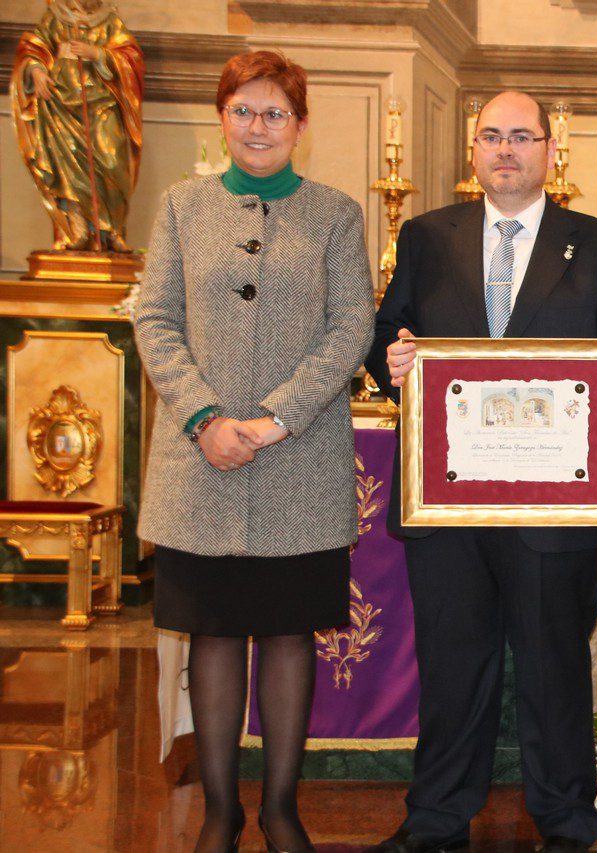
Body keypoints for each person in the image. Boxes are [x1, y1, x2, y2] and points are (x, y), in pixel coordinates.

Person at [365, 90, 597, 853]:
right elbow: (384, 338)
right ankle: (435, 819)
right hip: (448, 503)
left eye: (522, 137)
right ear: (474, 150)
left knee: (555, 669)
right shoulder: (427, 236)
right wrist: (390, 358)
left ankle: (565, 821)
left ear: (550, 151)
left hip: (555, 506)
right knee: (452, 670)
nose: (506, 149)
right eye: (491, 136)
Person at [134, 51, 374, 853]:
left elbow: (351, 327)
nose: (258, 126)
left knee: (284, 632)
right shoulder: (179, 208)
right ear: (222, 118)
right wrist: (205, 416)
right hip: (198, 462)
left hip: (296, 461)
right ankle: (218, 813)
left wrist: (274, 419)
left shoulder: (336, 214)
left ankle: (279, 808)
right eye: (244, 110)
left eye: (275, 113)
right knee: (209, 632)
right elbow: (154, 320)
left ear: (301, 127)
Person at [11, 0, 144, 251]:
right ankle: (77, 231)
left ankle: (112, 230)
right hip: (61, 103)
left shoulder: (109, 20)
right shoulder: (55, 17)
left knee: (112, 160)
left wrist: (99, 54)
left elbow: (131, 56)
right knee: (68, 167)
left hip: (103, 103)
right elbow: (32, 48)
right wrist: (37, 71)